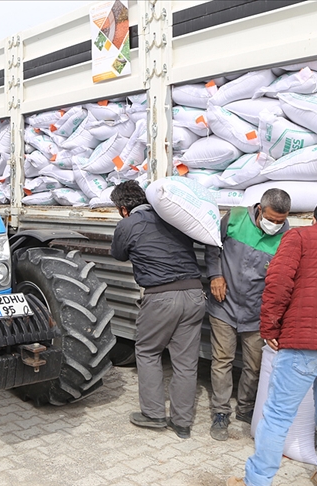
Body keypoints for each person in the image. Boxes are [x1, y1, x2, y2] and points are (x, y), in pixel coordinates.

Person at [227, 199, 317, 486]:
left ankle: (256, 481)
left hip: (305, 340)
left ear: (314, 219)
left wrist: (270, 328)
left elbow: (277, 282)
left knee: (277, 415)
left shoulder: (300, 236)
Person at [110, 180, 206, 440]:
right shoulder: (172, 217)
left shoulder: (128, 224)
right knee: (186, 361)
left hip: (162, 297)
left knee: (148, 351)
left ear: (122, 208)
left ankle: (153, 415)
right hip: (195, 293)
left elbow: (118, 255)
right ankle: (182, 423)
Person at [205, 189, 291, 441]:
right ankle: (221, 413)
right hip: (224, 305)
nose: (275, 225)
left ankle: (245, 408)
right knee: (222, 360)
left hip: (257, 313)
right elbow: (212, 246)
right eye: (272, 219)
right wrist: (215, 274)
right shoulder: (234, 218)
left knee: (254, 366)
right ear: (260, 209)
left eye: (281, 221)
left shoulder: (288, 237)